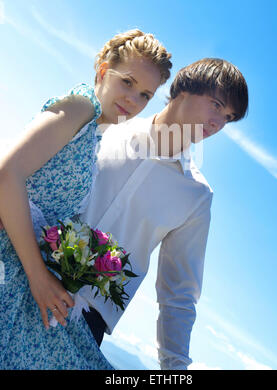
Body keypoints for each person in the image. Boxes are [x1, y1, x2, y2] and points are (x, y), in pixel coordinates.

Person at [0, 29, 172, 370]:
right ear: (104, 70)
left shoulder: (94, 131)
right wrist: (38, 277)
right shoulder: (82, 105)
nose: (133, 100)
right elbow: (8, 174)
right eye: (127, 82)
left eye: (145, 95)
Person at [79, 57, 249, 370]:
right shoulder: (109, 125)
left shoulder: (196, 196)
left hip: (87, 323)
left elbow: (178, 293)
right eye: (215, 105)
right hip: (23, 270)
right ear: (182, 90)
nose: (218, 123)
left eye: (228, 117)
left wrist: (175, 368)